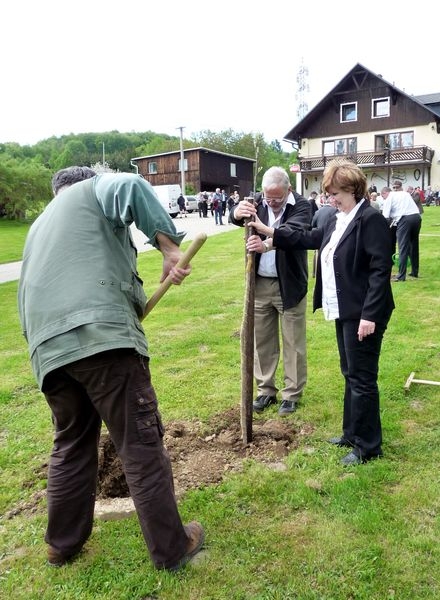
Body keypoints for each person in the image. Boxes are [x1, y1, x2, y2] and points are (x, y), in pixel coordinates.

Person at [18, 167, 205, 571]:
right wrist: (170, 248)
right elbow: (131, 184)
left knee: (71, 444)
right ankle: (173, 548)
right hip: (101, 342)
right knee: (140, 444)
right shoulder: (93, 188)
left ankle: (61, 545)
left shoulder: (39, 228)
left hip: (49, 352)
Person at [249, 159, 395, 465]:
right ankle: (351, 434)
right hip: (343, 310)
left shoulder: (371, 220)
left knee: (363, 379)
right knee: (349, 373)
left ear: (353, 189)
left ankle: (369, 447)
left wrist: (369, 316)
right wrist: (270, 238)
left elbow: (381, 271)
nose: (329, 198)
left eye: (335, 192)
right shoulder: (336, 218)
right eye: (328, 193)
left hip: (363, 313)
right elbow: (308, 238)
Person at [229, 166, 311, 416]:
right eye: (268, 197)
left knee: (293, 340)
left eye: (278, 198)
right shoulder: (256, 203)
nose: (273, 202)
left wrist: (265, 242)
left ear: (289, 189)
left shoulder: (303, 206)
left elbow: (294, 233)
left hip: (290, 284)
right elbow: (236, 218)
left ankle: (292, 394)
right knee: (262, 340)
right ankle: (266, 390)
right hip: (260, 284)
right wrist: (236, 211)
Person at [382, 180, 422, 280]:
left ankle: (401, 275)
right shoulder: (406, 194)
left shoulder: (390, 196)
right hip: (416, 217)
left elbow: (385, 216)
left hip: (405, 219)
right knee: (414, 245)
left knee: (403, 247)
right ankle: (414, 272)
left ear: (385, 193)